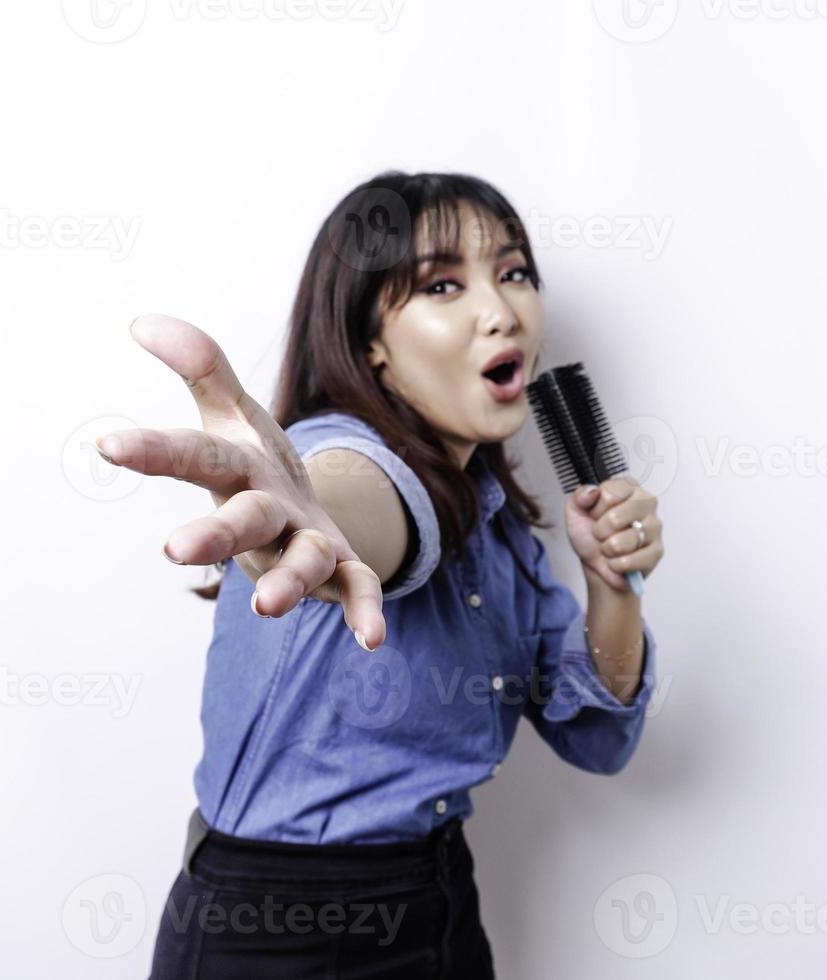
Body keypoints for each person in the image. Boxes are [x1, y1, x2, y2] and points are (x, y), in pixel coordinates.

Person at [96, 171, 665, 979]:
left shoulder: (505, 533)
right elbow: (351, 501)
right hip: (275, 933)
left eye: (513, 273)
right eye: (442, 284)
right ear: (371, 342)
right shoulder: (346, 454)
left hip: (440, 910)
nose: (501, 310)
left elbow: (599, 738)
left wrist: (610, 586)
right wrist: (301, 519)